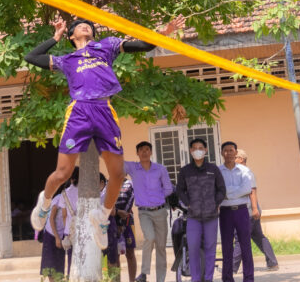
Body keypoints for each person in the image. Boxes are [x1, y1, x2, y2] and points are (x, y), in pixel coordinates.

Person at [24, 16, 182, 249]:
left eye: (89, 25)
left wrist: (163, 33)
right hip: (79, 111)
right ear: (71, 35)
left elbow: (142, 45)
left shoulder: (106, 46)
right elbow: (31, 57)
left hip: (104, 110)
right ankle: (44, 203)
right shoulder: (67, 59)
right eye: (79, 25)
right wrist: (55, 38)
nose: (85, 25)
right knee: (63, 174)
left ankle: (102, 217)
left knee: (117, 174)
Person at [176, 138, 226, 282]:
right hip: (193, 217)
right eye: (195, 148)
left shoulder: (213, 169)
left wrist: (215, 203)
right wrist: (188, 204)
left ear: (205, 150)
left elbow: (221, 189)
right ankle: (196, 279)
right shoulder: (185, 171)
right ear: (191, 151)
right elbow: (180, 190)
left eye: (200, 148)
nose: (198, 150)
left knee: (210, 249)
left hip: (211, 216)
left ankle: (209, 278)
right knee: (193, 248)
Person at [123, 141, 170, 282]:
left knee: (161, 247)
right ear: (137, 153)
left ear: (151, 152)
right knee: (149, 237)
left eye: (147, 149)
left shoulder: (160, 169)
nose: (144, 152)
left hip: (160, 211)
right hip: (144, 213)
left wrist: (158, 198)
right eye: (141, 150)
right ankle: (144, 273)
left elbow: (168, 188)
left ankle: (160, 279)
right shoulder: (132, 167)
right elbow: (116, 161)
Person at [231, 149, 277, 273]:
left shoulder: (246, 173)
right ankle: (272, 263)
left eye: (234, 157)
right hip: (250, 210)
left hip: (248, 211)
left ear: (241, 159)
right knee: (258, 237)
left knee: (240, 239)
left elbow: (252, 191)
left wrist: (255, 209)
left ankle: (232, 268)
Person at [217, 141, 254, 282]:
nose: (228, 153)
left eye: (231, 150)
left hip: (241, 211)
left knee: (246, 246)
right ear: (222, 153)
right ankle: (227, 278)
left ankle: (248, 278)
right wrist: (235, 192)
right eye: (225, 151)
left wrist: (228, 194)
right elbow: (219, 191)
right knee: (227, 247)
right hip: (225, 212)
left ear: (236, 152)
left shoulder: (245, 171)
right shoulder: (218, 171)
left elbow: (246, 189)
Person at [40, 185, 67, 280]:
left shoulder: (72, 199)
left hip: (61, 235)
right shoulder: (58, 198)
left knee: (59, 267)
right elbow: (51, 218)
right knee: (50, 267)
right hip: (51, 234)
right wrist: (56, 237)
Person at [113, 177, 137, 282]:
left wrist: (121, 221)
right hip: (113, 222)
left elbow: (130, 203)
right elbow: (107, 202)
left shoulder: (130, 184)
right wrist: (117, 215)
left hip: (127, 222)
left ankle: (132, 280)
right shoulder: (109, 184)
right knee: (115, 254)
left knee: (130, 253)